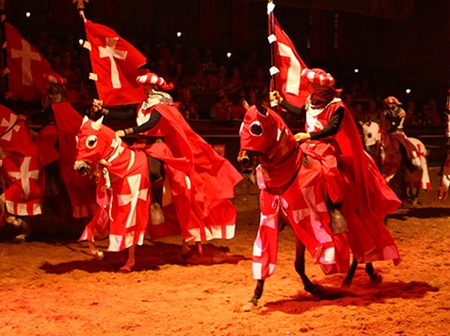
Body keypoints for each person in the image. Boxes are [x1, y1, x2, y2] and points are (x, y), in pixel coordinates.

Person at [93, 71, 241, 247]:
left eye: (145, 86)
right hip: (140, 145)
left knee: (154, 170)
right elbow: (125, 116)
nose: (143, 88)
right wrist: (103, 111)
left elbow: (150, 125)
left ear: (152, 87)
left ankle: (155, 204)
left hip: (156, 146)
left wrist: (126, 132)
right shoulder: (143, 104)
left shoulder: (160, 105)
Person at [272, 68, 400, 264]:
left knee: (330, 172)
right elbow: (299, 113)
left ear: (320, 87)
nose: (308, 86)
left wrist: (309, 135)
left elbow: (333, 128)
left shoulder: (337, 105)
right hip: (307, 144)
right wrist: (280, 102)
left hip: (326, 146)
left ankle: (335, 208)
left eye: (311, 84)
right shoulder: (311, 100)